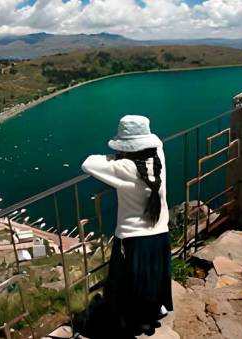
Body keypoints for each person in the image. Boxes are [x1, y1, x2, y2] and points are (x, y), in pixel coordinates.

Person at [81, 115, 172, 336]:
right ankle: (154, 311)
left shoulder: (123, 167)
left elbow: (88, 163)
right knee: (153, 275)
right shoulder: (158, 157)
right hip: (160, 233)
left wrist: (114, 156)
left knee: (130, 282)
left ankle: (135, 321)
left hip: (133, 238)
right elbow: (157, 142)